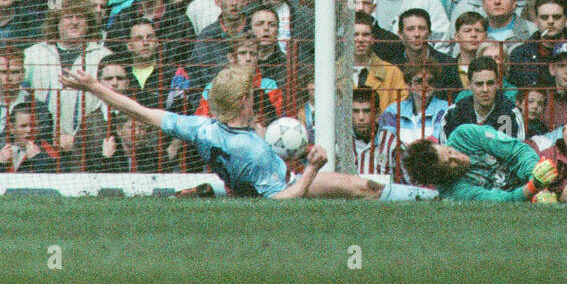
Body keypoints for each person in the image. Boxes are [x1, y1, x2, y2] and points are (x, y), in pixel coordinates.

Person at [62, 64, 432, 200]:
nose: (256, 99)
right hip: (278, 183)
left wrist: (94, 87)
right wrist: (313, 168)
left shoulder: (202, 127)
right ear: (241, 102)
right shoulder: (252, 151)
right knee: (361, 188)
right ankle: (425, 200)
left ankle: (216, 191)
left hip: (245, 179)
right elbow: (285, 204)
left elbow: (140, 112)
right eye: (251, 96)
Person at [403, 105, 567, 203]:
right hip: (546, 190)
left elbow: (515, 149)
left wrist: (536, 169)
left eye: (448, 151)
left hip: (545, 149)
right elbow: (502, 201)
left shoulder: (463, 134)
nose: (457, 157)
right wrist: (534, 185)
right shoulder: (455, 193)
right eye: (450, 164)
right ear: (442, 178)